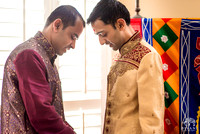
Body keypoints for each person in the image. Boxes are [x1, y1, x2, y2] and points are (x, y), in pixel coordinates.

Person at [1, 5, 85, 134]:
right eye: (73, 37)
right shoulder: (29, 55)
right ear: (57, 25)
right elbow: (42, 116)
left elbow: (52, 112)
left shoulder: (44, 57)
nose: (73, 45)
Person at [87, 0, 164, 134]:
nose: (101, 42)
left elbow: (152, 120)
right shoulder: (118, 56)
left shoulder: (147, 56)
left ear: (120, 24)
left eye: (103, 34)